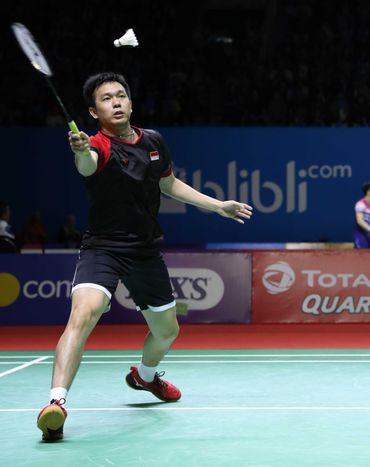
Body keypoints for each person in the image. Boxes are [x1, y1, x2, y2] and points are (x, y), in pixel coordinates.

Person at [36, 72, 253, 442]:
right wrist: (79, 150)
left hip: (145, 250)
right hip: (103, 247)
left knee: (167, 331)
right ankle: (56, 404)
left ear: (131, 103)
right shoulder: (96, 145)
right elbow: (88, 165)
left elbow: (167, 183)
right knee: (82, 314)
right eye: (107, 98)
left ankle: (146, 377)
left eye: (121, 95)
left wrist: (218, 206)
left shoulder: (153, 141)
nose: (116, 102)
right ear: (93, 111)